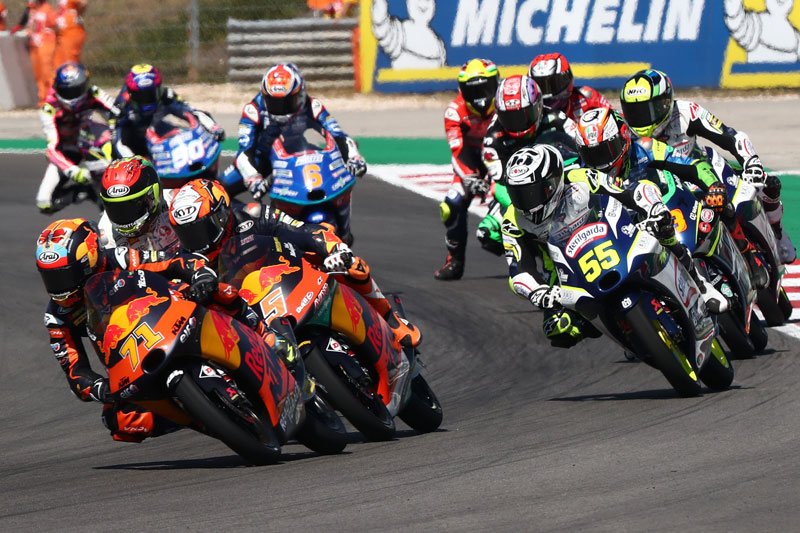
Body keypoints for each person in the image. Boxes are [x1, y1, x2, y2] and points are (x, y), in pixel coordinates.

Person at [35, 217, 231, 442]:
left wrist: (199, 274)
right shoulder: (57, 316)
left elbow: (170, 262)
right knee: (119, 420)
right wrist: (98, 388)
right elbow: (75, 371)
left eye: (64, 275)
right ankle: (199, 417)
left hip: (171, 317)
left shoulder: (119, 258)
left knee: (223, 294)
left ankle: (260, 332)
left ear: (89, 261)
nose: (58, 287)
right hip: (133, 362)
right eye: (49, 277)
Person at [501, 145, 714, 348]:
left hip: (611, 237)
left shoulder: (580, 178)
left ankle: (697, 280)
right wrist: (538, 292)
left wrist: (652, 210)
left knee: (663, 228)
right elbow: (519, 269)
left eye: (531, 192)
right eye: (517, 194)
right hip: (564, 273)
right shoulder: (512, 221)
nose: (526, 203)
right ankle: (628, 332)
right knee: (559, 328)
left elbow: (626, 192)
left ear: (553, 182)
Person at [167, 178, 421, 349]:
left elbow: (301, 230)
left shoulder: (252, 214)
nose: (197, 241)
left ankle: (391, 319)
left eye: (202, 229)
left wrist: (335, 249)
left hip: (291, 275)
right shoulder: (188, 257)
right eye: (187, 234)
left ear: (222, 214)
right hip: (252, 310)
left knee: (351, 265)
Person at [574, 106, 768, 292]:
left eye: (606, 150)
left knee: (719, 201)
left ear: (623, 138)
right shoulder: (580, 174)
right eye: (591, 154)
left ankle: (747, 254)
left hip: (667, 209)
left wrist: (713, 185)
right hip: (628, 231)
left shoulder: (645, 147)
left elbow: (690, 165)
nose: (600, 162)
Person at [619, 68, 795, 263]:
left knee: (765, 185)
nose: (641, 118)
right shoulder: (624, 133)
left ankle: (777, 235)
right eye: (634, 112)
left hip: (704, 178)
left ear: (666, 102)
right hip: (665, 194)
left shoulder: (686, 112)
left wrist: (751, 162)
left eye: (649, 110)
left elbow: (731, 136)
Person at [219, 63, 367, 205]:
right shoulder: (253, 110)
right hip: (260, 160)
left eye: (287, 102)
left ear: (300, 94)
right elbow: (244, 154)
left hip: (294, 155)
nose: (281, 109)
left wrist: (354, 157)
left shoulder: (312, 105)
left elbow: (337, 134)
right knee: (220, 189)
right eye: (274, 102)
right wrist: (253, 178)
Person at [434, 58, 500, 281]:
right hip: (471, 161)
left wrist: (496, 179)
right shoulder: (454, 112)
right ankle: (454, 261)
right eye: (473, 90)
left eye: (485, 88)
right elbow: (457, 151)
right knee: (451, 206)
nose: (480, 96)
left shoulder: (506, 103)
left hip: (502, 158)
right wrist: (471, 177)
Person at [36, 61, 118, 213]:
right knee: (44, 202)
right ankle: (88, 191)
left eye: (78, 90)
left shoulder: (93, 93)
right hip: (67, 150)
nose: (73, 96)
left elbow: (119, 111)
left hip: (92, 143)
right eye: (67, 92)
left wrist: (113, 127)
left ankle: (107, 194)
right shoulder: (49, 109)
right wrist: (72, 171)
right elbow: (51, 150)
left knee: (110, 177)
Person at [114, 63, 224, 159]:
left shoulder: (166, 95)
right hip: (134, 139)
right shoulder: (122, 107)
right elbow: (118, 142)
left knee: (179, 132)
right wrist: (133, 161)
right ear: (131, 94)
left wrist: (213, 127)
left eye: (151, 94)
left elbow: (192, 112)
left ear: (159, 89)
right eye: (140, 96)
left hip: (156, 128)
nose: (146, 100)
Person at [97, 156, 181, 255]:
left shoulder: (177, 203)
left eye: (131, 206)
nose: (124, 215)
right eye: (116, 209)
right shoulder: (106, 232)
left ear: (153, 195)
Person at [528, 52, 611, 121]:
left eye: (552, 84)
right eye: (540, 85)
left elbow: (613, 121)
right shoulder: (526, 111)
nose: (547, 94)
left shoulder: (588, 98)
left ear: (566, 80)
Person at [22, 0, 58, 105]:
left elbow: (54, 24)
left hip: (46, 42)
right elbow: (30, 24)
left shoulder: (47, 9)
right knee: (38, 73)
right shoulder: (32, 9)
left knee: (47, 71)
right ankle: (43, 98)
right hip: (34, 43)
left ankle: (53, 97)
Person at [53, 0, 86, 66]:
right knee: (58, 62)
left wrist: (75, 16)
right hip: (61, 32)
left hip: (71, 30)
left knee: (69, 63)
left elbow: (83, 3)